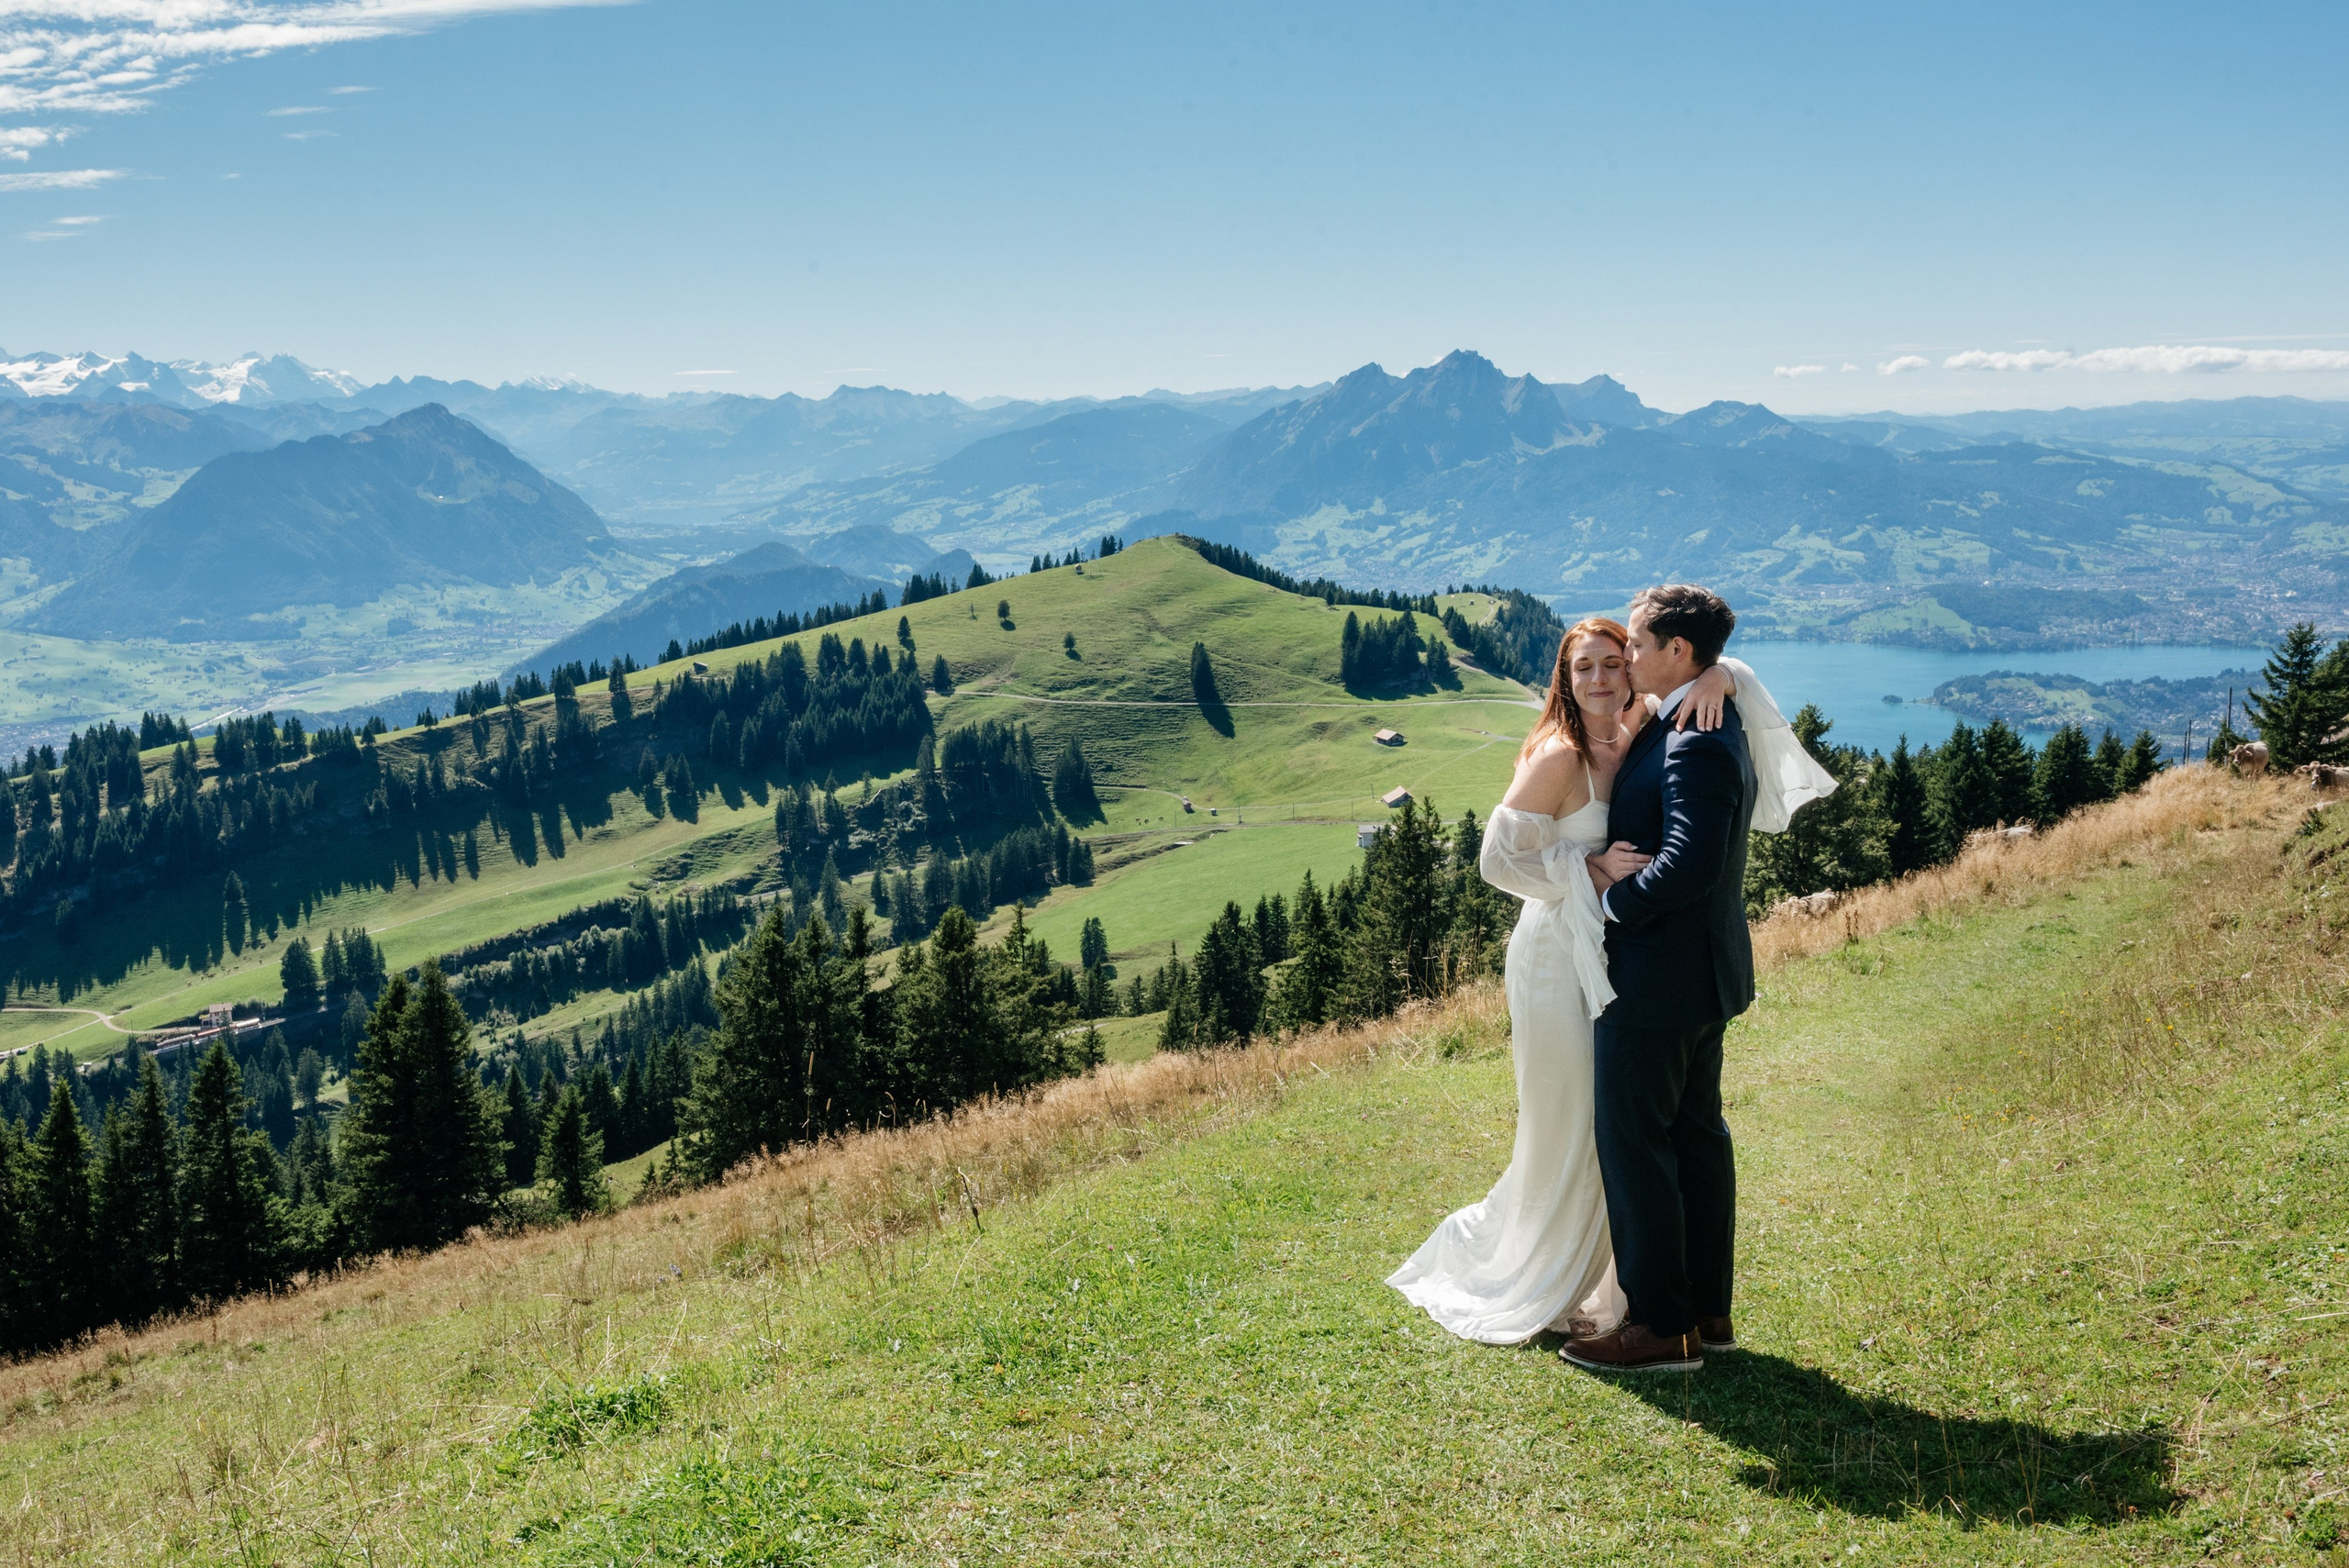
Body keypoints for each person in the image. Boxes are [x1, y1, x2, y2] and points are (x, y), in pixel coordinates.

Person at [1385, 587, 1831, 1364]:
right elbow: (1499, 859)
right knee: (1625, 1130)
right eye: (1586, 664)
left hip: (1644, 964)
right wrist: (1582, 871)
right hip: (1576, 960)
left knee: (1641, 1138)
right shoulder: (1605, 739)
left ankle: (1667, 1321)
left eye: (1622, 654)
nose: (1609, 669)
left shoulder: (1673, 726)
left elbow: (1685, 856)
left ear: (1666, 658)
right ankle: (1669, 1306)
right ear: (1566, 678)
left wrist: (1612, 897)